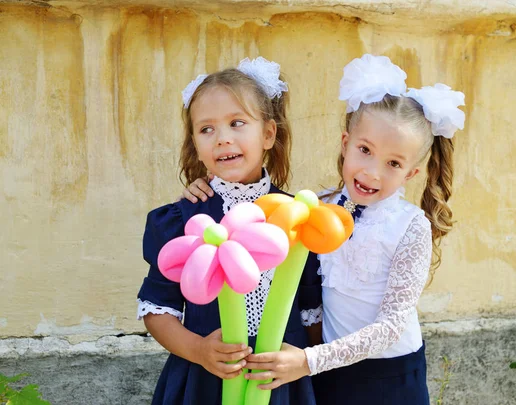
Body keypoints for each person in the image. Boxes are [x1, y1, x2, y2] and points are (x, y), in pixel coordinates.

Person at [183, 54, 465, 404]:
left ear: (410, 174)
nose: (372, 172)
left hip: (388, 375)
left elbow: (391, 327)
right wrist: (203, 187)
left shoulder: (411, 227)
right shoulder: (314, 206)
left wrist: (308, 360)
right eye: (365, 150)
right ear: (345, 143)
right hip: (324, 373)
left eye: (393, 163)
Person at [137, 57, 318, 405]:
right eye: (206, 129)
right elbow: (156, 308)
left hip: (281, 383)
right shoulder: (183, 220)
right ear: (195, 142)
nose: (222, 139)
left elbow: (313, 311)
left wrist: (306, 366)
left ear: (268, 133)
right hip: (203, 382)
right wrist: (200, 350)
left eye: (237, 123)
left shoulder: (300, 216)